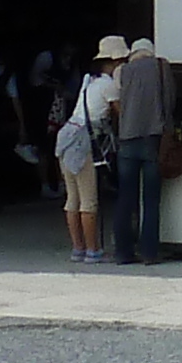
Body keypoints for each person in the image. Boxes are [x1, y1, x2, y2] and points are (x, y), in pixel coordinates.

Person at [106, 31, 177, 268]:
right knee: (151, 198)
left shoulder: (123, 71)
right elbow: (169, 101)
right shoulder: (160, 67)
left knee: (125, 198)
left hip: (127, 139)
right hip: (151, 138)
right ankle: (149, 252)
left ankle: (123, 252)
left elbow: (120, 104)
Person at [52, 73, 107, 262]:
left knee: (72, 198)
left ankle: (78, 248)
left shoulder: (87, 82)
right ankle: (93, 249)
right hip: (83, 142)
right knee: (88, 200)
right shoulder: (108, 84)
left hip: (66, 137)